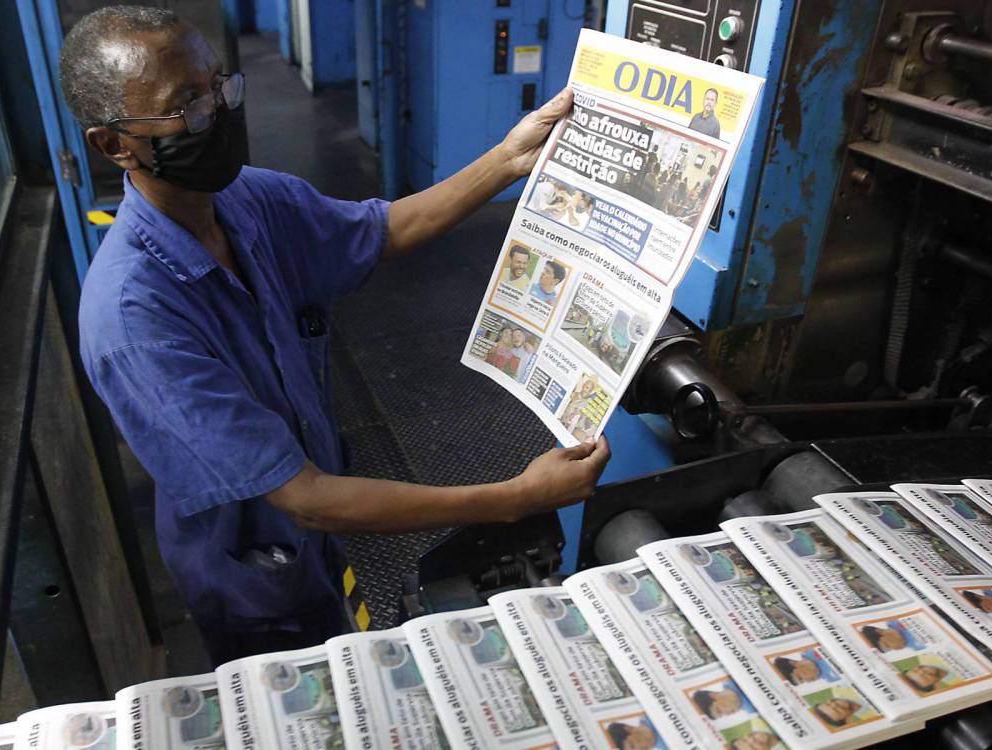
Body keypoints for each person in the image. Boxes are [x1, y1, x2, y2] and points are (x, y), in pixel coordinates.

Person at [62, 6, 610, 666]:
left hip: (320, 540)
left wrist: (509, 159)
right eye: (189, 107)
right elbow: (308, 499)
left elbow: (383, 231)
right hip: (255, 584)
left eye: (219, 88)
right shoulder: (135, 324)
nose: (219, 113)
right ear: (114, 144)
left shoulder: (247, 200)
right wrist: (513, 501)